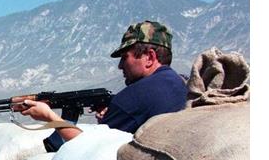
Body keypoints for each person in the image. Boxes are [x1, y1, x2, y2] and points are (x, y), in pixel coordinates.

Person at [14, 20, 187, 151]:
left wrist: (50, 118)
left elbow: (89, 150)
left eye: (125, 57)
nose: (120, 66)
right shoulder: (180, 82)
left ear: (149, 57)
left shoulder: (137, 94)